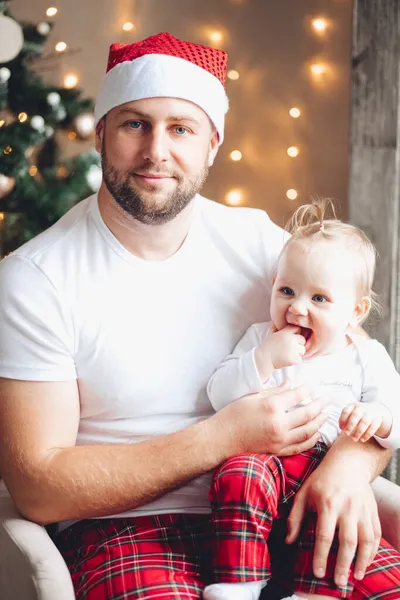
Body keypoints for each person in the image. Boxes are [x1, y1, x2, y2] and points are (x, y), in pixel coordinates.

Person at [0, 32, 392, 600]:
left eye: (181, 128)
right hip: (127, 530)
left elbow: (356, 365)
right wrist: (222, 437)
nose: (157, 150)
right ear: (101, 133)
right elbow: (38, 487)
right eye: (134, 123)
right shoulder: (34, 279)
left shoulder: (261, 246)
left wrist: (349, 468)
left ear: (212, 142)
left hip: (284, 504)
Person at [203, 198, 400, 600]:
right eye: (287, 290)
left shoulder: (365, 356)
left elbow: (396, 423)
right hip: (267, 464)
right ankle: (240, 583)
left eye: (319, 299)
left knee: (335, 515)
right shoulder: (261, 338)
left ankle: (314, 593)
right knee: (239, 473)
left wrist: (376, 417)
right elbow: (218, 395)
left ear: (355, 311)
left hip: (323, 469)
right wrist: (262, 360)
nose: (296, 308)